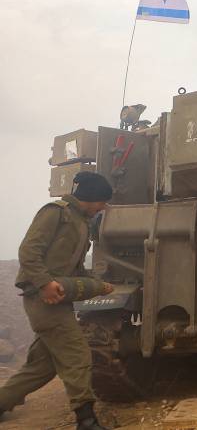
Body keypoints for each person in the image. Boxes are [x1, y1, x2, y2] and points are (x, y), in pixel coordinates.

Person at [0, 172, 115, 429]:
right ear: (92, 197)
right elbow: (28, 251)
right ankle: (86, 420)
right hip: (43, 299)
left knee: (42, 366)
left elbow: (72, 269)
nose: (104, 207)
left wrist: (96, 285)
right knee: (77, 354)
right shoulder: (55, 213)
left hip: (57, 300)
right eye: (103, 201)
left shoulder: (81, 221)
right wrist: (45, 283)